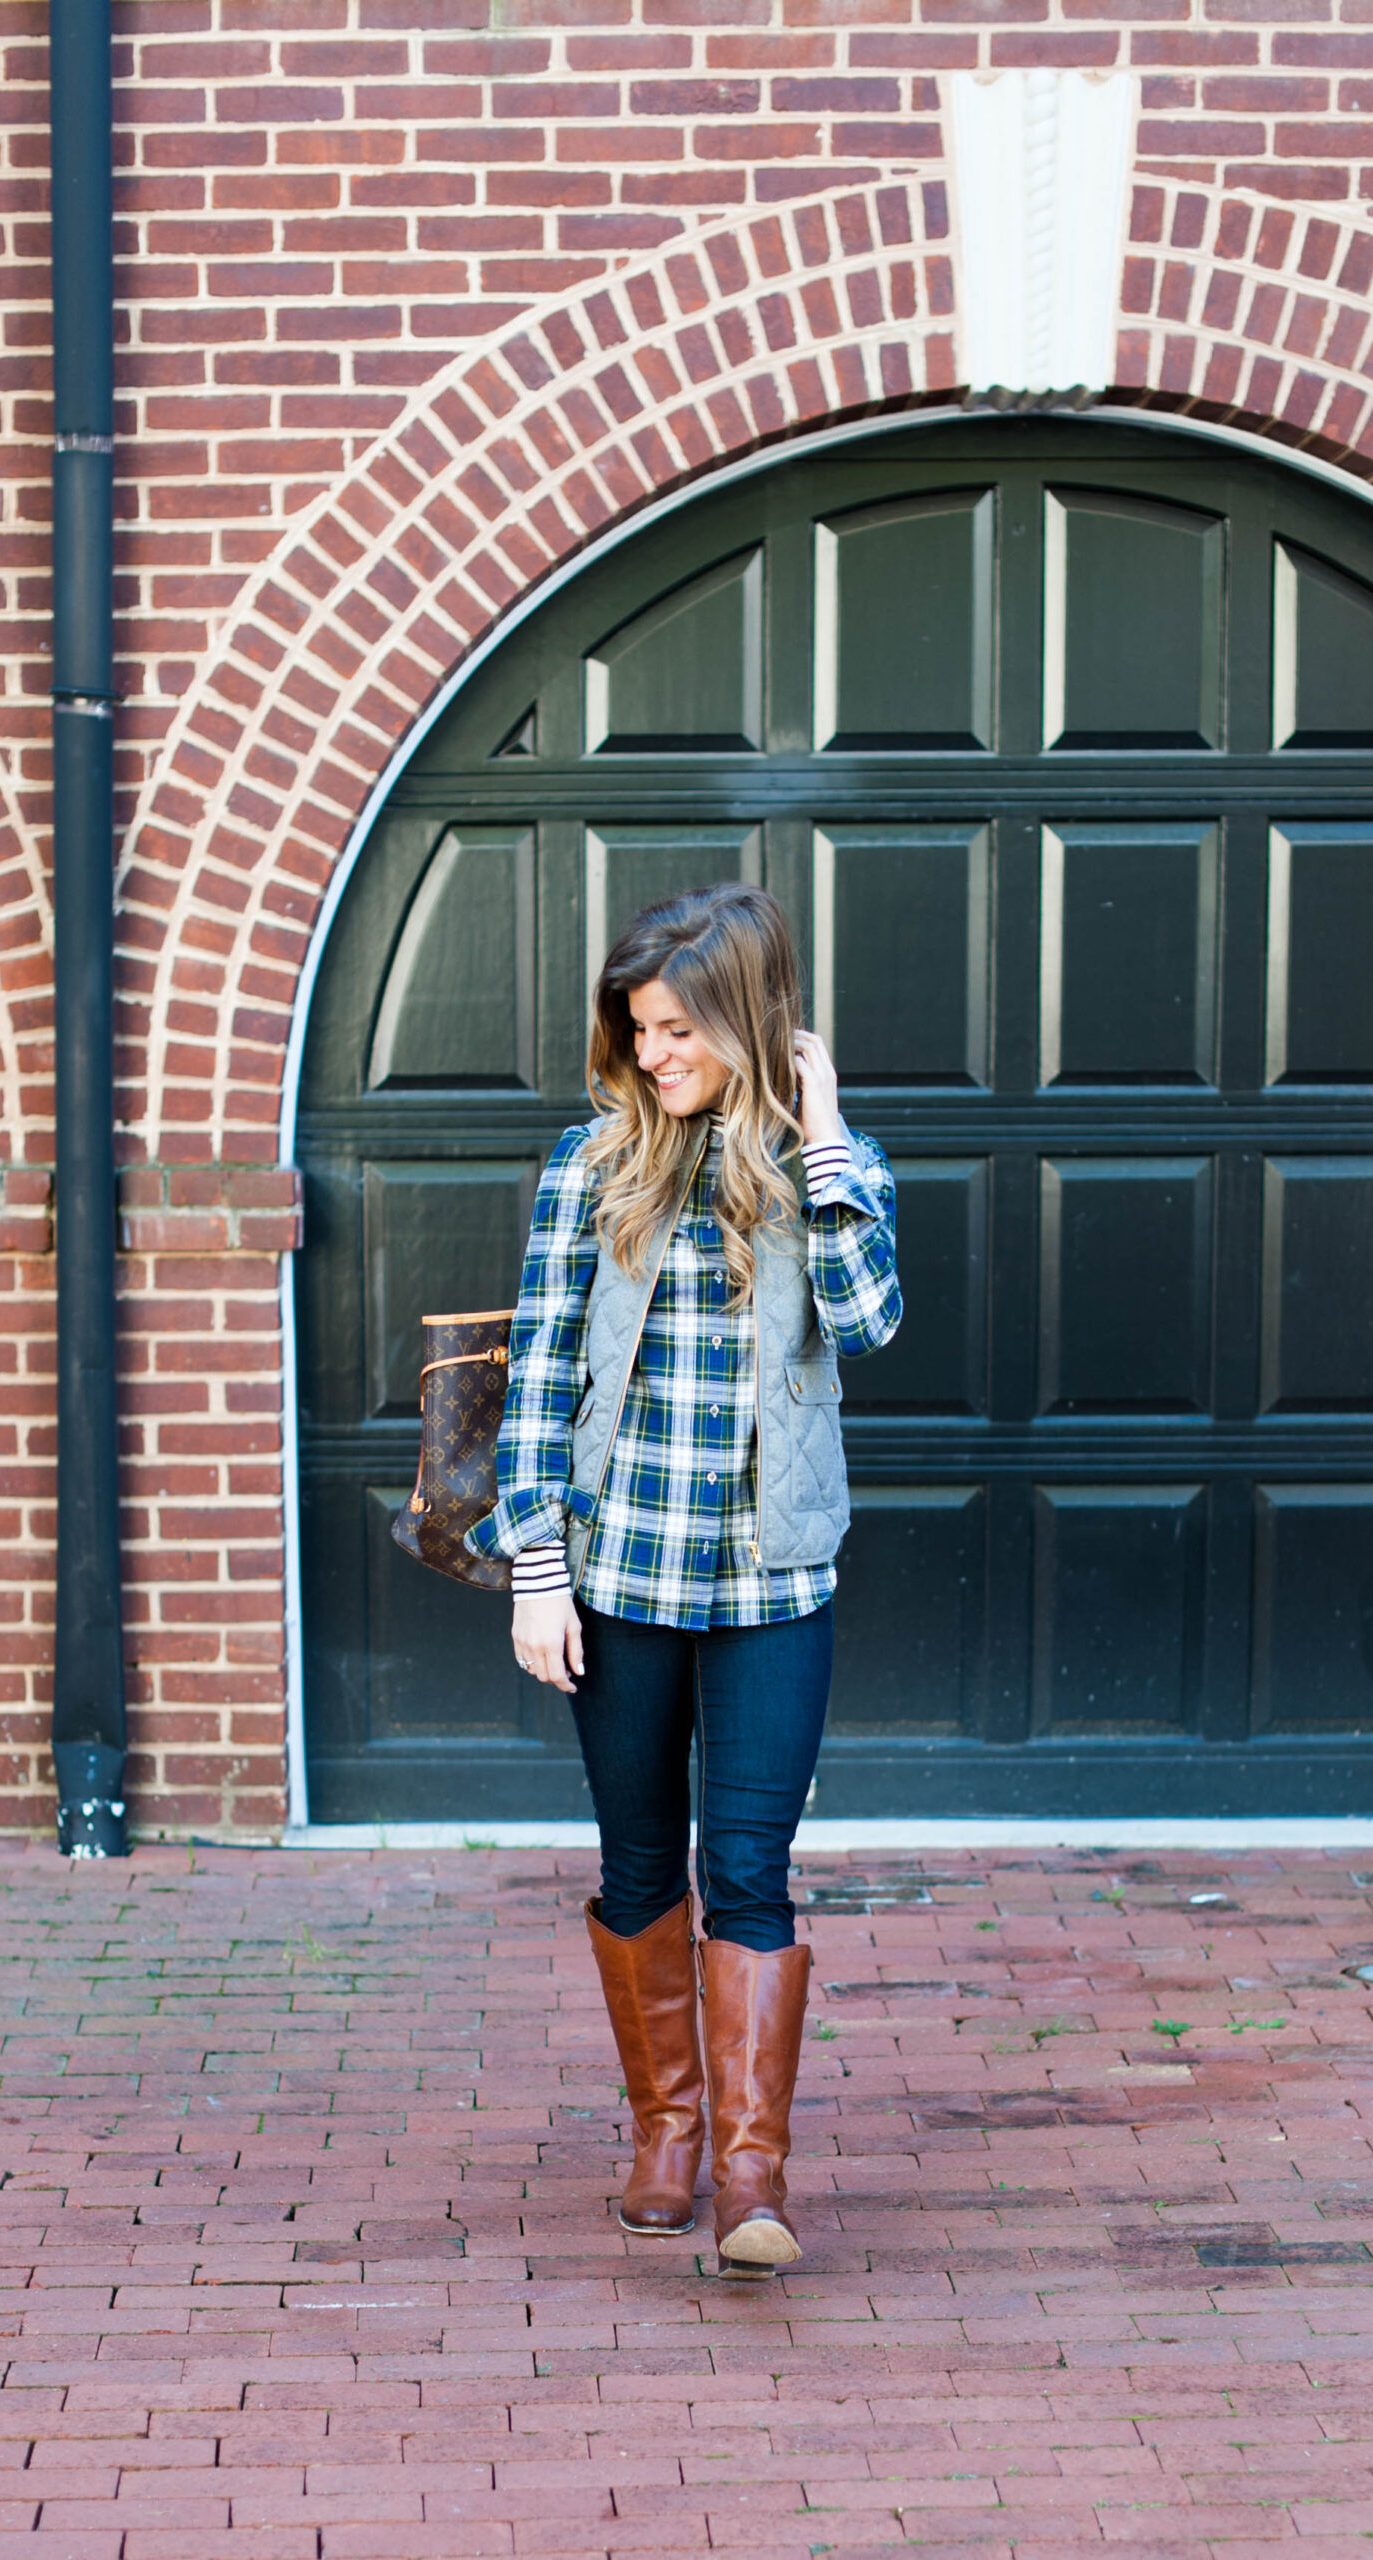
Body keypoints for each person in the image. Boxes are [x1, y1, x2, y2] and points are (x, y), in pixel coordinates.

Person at [465, 882, 901, 2278]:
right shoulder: (590, 1166)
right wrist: (536, 1570)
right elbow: (535, 1370)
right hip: (615, 1575)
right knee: (643, 1863)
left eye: (676, 1028)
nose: (652, 1054)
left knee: (751, 1869)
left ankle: (749, 2175)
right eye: (638, 1029)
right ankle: (666, 2129)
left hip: (773, 1584)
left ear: (744, 1017)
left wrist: (818, 1131)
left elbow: (871, 1320)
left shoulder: (831, 1169)